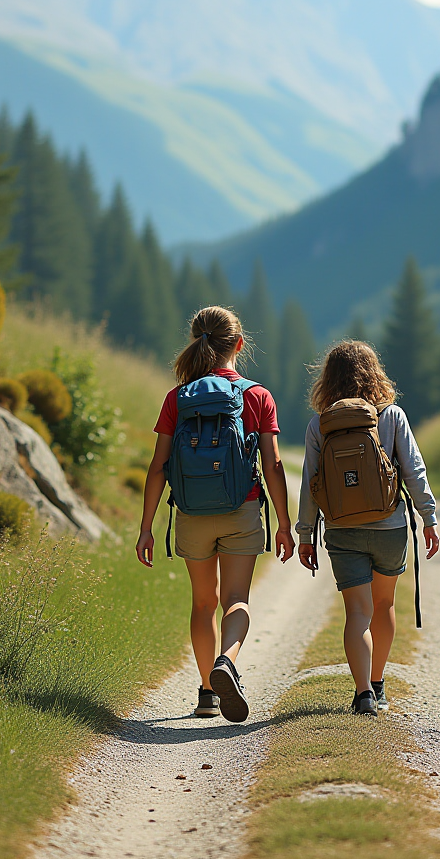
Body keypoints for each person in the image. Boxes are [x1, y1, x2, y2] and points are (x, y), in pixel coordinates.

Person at [136, 305, 295, 722]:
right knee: (236, 600)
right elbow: (274, 465)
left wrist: (146, 527)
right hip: (241, 509)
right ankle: (227, 660)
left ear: (195, 342)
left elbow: (158, 467)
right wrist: (283, 523)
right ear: (239, 344)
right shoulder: (257, 396)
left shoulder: (178, 398)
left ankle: (208, 691)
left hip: (190, 513)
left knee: (203, 602)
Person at [297, 340, 439, 715]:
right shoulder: (392, 416)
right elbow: (414, 470)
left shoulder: (320, 424)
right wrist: (429, 518)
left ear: (327, 380)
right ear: (374, 373)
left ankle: (362, 695)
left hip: (342, 530)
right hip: (389, 526)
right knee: (384, 603)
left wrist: (305, 534)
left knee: (357, 612)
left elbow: (311, 483)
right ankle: (378, 685)